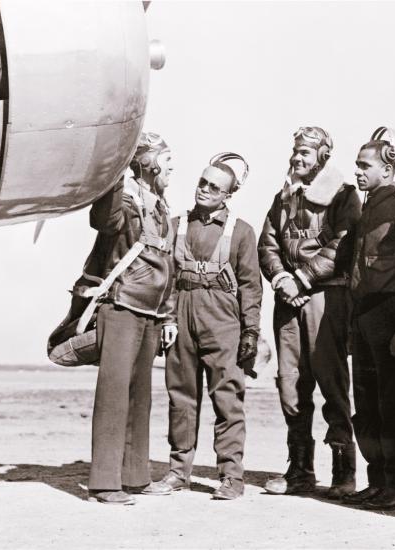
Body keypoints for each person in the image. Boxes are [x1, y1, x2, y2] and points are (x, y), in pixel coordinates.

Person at [143, 153, 262, 501]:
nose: (205, 190)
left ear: (228, 194)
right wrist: (166, 319)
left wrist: (250, 330)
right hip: (181, 314)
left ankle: (231, 477)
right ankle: (179, 472)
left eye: (215, 187)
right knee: (180, 397)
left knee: (227, 398)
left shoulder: (241, 231)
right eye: (202, 183)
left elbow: (251, 285)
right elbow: (165, 278)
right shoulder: (177, 223)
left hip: (223, 318)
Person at [258, 126, 362, 498]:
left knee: (332, 382)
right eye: (295, 150)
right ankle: (299, 469)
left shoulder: (344, 195)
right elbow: (267, 242)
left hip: (326, 299)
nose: (297, 158)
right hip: (288, 300)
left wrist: (302, 277)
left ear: (323, 156)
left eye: (305, 152)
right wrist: (282, 277)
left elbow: (343, 245)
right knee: (290, 383)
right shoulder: (283, 197)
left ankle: (343, 471)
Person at [84, 132, 176, 505]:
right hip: (121, 306)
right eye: (168, 163)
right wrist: (116, 168)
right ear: (150, 165)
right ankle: (105, 484)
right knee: (113, 397)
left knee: (140, 398)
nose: (171, 171)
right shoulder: (125, 199)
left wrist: (168, 315)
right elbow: (103, 220)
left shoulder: (161, 206)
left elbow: (167, 264)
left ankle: (136, 477)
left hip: (150, 311)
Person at [341, 128, 395, 512]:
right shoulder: (367, 208)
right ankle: (378, 481)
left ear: (388, 170)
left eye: (364, 165)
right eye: (357, 164)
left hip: (391, 318)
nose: (358, 171)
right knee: (367, 403)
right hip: (365, 316)